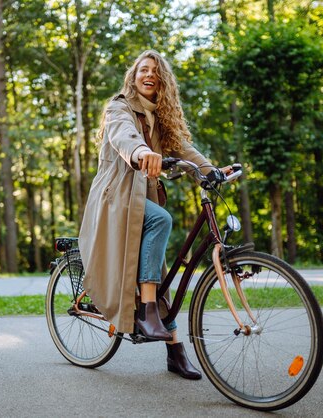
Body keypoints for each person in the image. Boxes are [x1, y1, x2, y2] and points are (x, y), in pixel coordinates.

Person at [78, 50, 232, 380]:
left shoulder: (161, 118)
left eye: (155, 71)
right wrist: (143, 152)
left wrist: (212, 170)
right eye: (143, 70)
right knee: (161, 219)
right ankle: (147, 310)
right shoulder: (120, 106)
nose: (149, 75)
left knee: (159, 272)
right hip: (116, 196)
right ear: (133, 77)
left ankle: (175, 352)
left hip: (139, 198)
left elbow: (184, 150)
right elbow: (123, 135)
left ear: (162, 81)